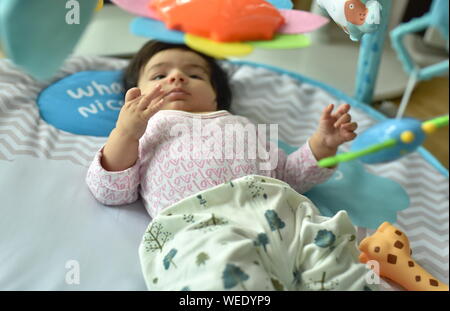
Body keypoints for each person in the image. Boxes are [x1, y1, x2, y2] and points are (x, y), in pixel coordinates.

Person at [86, 40, 358, 218]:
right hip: (196, 231)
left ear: (216, 95)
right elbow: (111, 191)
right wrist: (125, 133)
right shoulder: (145, 129)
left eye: (195, 75)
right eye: (159, 76)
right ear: (135, 94)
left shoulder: (240, 125)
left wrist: (323, 144)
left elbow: (290, 176)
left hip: (279, 220)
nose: (177, 77)